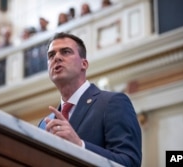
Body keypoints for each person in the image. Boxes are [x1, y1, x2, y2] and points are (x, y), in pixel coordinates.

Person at [38, 32, 142, 167]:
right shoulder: (44, 125)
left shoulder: (112, 103)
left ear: (84, 64)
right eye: (51, 55)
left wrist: (80, 146)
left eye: (65, 52)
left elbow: (130, 163)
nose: (56, 57)